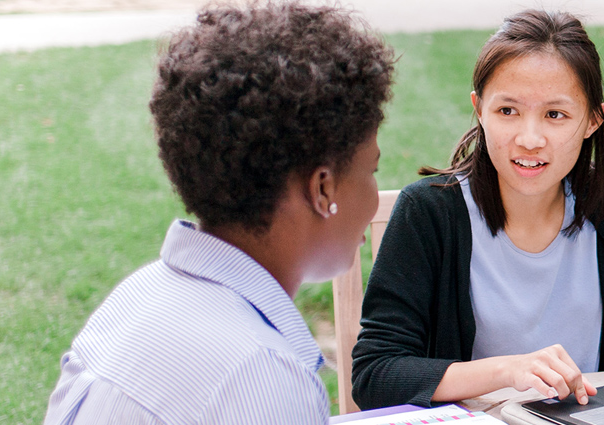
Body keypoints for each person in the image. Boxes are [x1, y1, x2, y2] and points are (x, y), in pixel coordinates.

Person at [41, 3, 395, 423]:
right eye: (371, 170)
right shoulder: (260, 376)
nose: (374, 193)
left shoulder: (136, 297)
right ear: (322, 189)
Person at [348, 9, 604, 410]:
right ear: (480, 108)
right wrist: (508, 370)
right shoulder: (430, 213)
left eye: (555, 115)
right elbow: (376, 373)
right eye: (507, 111)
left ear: (593, 120)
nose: (530, 138)